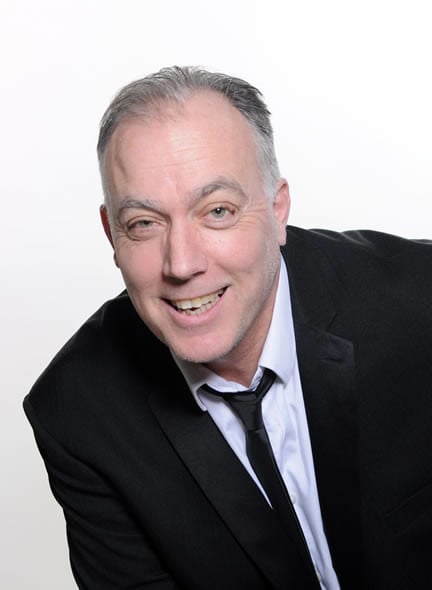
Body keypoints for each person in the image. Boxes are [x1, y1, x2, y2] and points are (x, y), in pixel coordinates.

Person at [24, 66, 432, 590]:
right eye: (144, 223)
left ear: (277, 210)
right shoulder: (77, 413)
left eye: (216, 211)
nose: (182, 263)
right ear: (111, 234)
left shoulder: (419, 305)